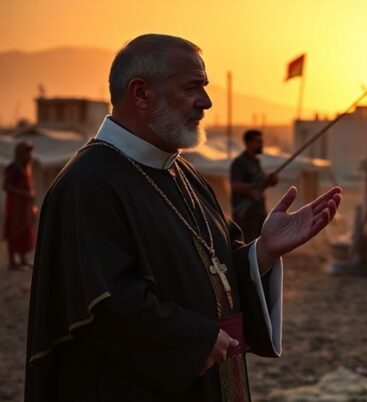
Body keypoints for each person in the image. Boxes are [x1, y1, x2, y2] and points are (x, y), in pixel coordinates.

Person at [24, 34, 342, 402]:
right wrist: (194, 340)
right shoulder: (87, 184)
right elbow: (103, 304)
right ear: (141, 93)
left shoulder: (185, 173)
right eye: (192, 88)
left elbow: (213, 272)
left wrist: (264, 252)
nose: (206, 102)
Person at [230, 129, 278, 242]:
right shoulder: (240, 162)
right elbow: (235, 184)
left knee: (261, 242)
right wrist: (251, 192)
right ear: (248, 143)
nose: (261, 145)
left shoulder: (256, 162)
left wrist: (270, 180)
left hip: (258, 212)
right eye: (258, 142)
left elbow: (260, 183)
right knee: (248, 243)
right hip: (246, 215)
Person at [4, 141, 37, 270]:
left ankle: (23, 259)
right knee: (13, 232)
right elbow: (7, 186)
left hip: (24, 207)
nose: (29, 155)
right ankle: (12, 262)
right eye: (26, 152)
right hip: (15, 207)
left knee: (24, 231)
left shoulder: (25, 168)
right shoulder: (13, 169)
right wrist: (23, 193)